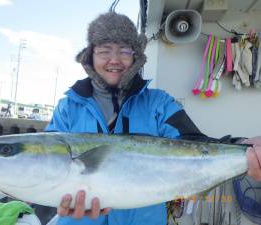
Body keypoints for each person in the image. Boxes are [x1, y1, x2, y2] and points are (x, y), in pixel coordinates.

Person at [45, 12, 261, 225]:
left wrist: (242, 147)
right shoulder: (68, 106)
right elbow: (48, 165)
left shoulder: (158, 103)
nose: (114, 60)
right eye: (104, 51)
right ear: (90, 56)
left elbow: (194, 143)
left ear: (136, 57)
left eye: (124, 51)